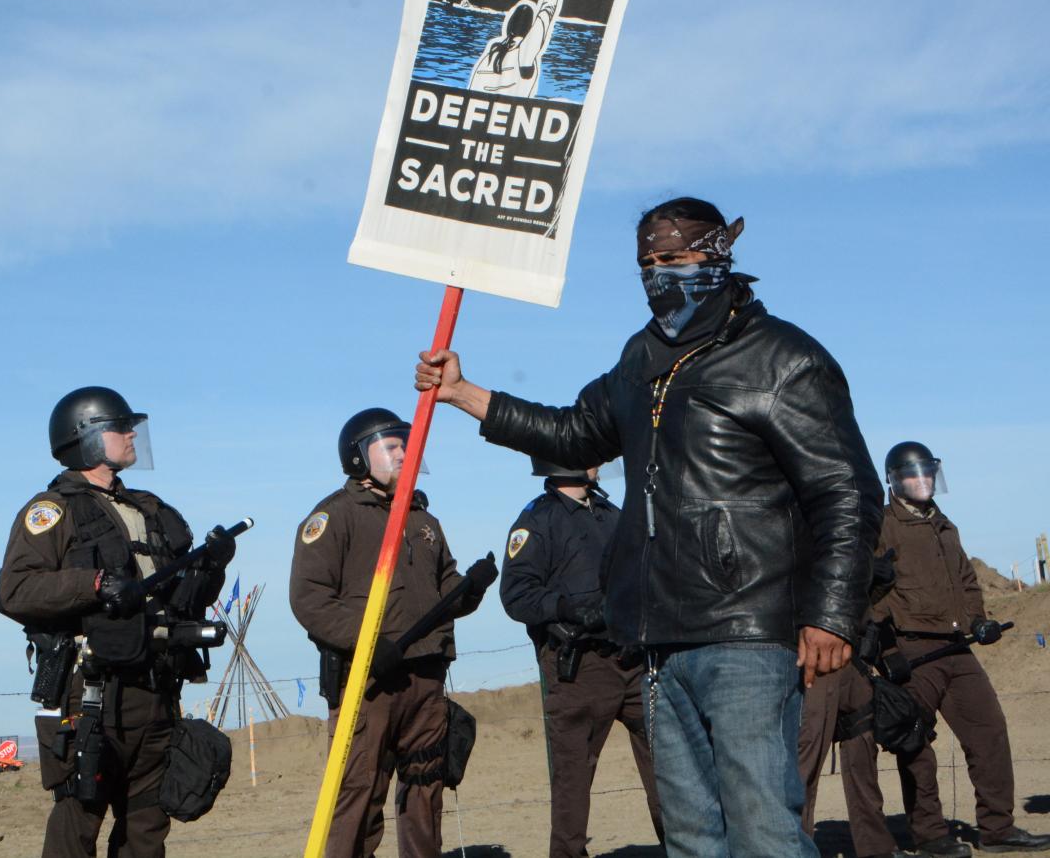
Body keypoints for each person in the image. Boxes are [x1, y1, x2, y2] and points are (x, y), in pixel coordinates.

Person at [415, 197, 885, 858]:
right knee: (690, 836)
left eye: (673, 258)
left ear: (719, 254)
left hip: (749, 632)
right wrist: (464, 394)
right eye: (647, 262)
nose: (659, 273)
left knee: (763, 830)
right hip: (658, 641)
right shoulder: (641, 360)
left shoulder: (783, 358)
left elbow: (846, 489)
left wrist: (832, 613)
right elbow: (573, 433)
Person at [0, 386, 235, 858]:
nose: (131, 435)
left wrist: (213, 566)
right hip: (92, 696)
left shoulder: (151, 510)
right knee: (77, 823)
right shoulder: (52, 511)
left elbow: (182, 602)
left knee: (147, 827)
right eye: (120, 427)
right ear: (86, 437)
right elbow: (14, 591)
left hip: (157, 690)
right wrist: (94, 584)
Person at [289, 407, 490, 858]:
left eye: (406, 444)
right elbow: (310, 599)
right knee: (359, 791)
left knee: (425, 787)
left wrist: (470, 588)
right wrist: (365, 643)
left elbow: (444, 591)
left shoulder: (423, 520)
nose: (404, 453)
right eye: (391, 446)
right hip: (369, 680)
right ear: (359, 457)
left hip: (426, 677)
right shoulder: (334, 517)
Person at [867, 441, 1050, 855]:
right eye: (913, 473)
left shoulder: (946, 526)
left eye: (928, 472)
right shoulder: (882, 527)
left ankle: (998, 829)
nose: (922, 480)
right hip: (912, 653)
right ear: (894, 480)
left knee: (990, 733)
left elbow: (967, 583)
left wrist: (979, 620)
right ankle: (930, 835)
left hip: (957, 649)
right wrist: (887, 651)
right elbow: (872, 594)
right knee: (915, 743)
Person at [501, 459, 663, 858]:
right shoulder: (537, 522)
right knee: (573, 782)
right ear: (563, 460)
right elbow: (516, 595)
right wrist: (569, 609)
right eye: (588, 454)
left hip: (633, 661)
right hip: (579, 667)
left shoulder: (612, 514)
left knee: (670, 767)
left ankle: (686, 848)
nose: (599, 463)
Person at [795, 551, 908, 858]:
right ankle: (793, 848)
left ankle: (876, 847)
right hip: (813, 659)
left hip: (854, 656)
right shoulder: (803, 528)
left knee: (863, 754)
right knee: (804, 761)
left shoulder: (857, 531)